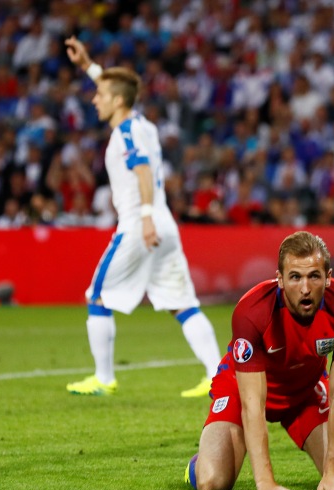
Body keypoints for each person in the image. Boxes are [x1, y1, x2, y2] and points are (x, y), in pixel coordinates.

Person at [63, 37, 221, 398]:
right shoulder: (142, 124)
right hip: (165, 224)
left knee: (97, 296)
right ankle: (217, 375)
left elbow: (144, 170)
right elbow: (115, 89)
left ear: (117, 101)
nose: (94, 99)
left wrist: (145, 216)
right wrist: (89, 65)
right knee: (183, 304)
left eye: (99, 95)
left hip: (140, 223)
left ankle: (104, 378)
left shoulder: (126, 133)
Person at [185, 231, 334, 490]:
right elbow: (252, 403)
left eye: (314, 276)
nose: (305, 288)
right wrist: (265, 483)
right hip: (242, 389)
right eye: (295, 277)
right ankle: (198, 463)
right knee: (212, 481)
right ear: (280, 279)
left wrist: (333, 473)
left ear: (328, 278)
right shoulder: (253, 312)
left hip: (305, 392)